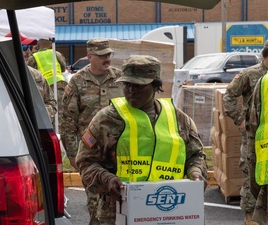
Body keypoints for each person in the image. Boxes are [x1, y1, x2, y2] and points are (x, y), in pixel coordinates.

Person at [75, 55, 208, 224]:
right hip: (116, 214)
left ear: (156, 86)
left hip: (167, 214)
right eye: (127, 85)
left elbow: (196, 156)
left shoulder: (179, 120)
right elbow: (86, 162)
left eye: (138, 85)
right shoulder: (107, 119)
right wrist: (106, 179)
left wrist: (196, 172)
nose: (131, 91)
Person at [60, 37, 124, 224]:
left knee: (124, 202)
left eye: (109, 55)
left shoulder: (119, 79)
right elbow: (68, 121)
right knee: (95, 206)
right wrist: (73, 154)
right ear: (89, 56)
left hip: (120, 152)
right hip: (91, 154)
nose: (107, 59)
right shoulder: (77, 82)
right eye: (102, 55)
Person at [223, 41, 268, 225]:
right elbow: (229, 95)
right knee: (251, 175)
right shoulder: (251, 74)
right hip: (252, 137)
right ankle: (251, 218)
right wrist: (240, 119)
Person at [27, 38, 67, 131]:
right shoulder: (56, 53)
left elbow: (29, 71)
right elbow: (63, 68)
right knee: (60, 112)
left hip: (45, 87)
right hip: (60, 85)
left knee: (49, 113)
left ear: (38, 44)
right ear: (50, 44)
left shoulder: (34, 57)